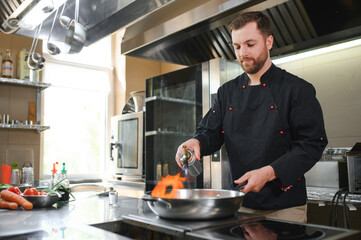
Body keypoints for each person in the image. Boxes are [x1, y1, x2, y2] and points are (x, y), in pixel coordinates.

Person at [175, 11, 328, 223]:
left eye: (250, 44)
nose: (242, 53)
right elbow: (210, 132)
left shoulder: (297, 90)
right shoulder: (227, 92)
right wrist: (196, 142)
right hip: (239, 205)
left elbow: (312, 143)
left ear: (269, 41)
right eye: (237, 47)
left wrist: (269, 172)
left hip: (284, 208)